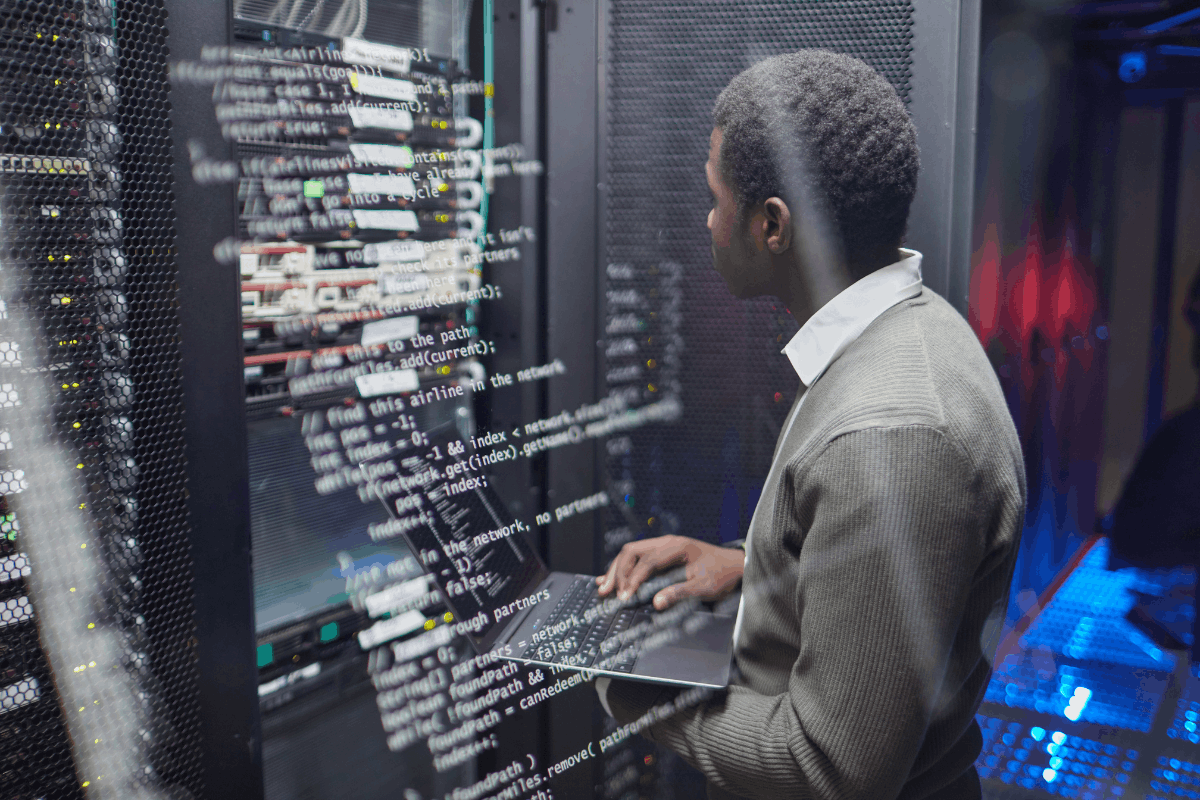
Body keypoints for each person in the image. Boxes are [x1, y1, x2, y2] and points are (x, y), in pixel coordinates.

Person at [593, 50, 1027, 800]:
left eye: (716, 197)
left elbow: (830, 769)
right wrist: (756, 570)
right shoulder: (912, 330)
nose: (706, 219)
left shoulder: (891, 438)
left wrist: (625, 686)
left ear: (771, 225)